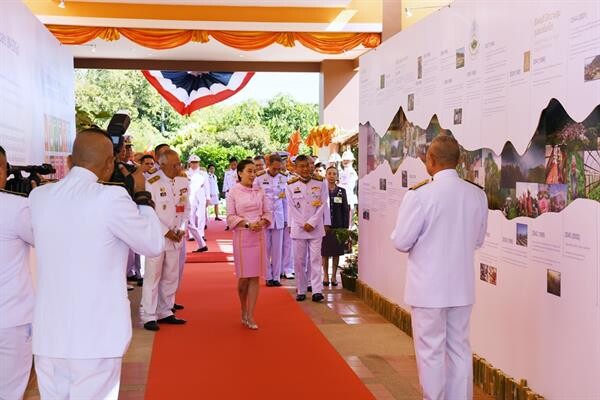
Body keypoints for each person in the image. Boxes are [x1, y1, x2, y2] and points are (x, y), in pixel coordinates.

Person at [28, 129, 165, 399]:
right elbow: (153, 244)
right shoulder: (111, 198)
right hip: (96, 337)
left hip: (49, 336)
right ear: (109, 165)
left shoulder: (39, 198)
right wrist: (142, 197)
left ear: (68, 161)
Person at [390, 135, 488, 400]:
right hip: (461, 287)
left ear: (430, 160)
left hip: (428, 288)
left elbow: (401, 241)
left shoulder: (420, 195)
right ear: (458, 161)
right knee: (459, 349)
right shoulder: (477, 194)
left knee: (430, 351)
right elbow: (478, 240)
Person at [141, 149, 190, 331]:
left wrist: (182, 228)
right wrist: (165, 232)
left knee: (171, 275)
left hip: (176, 236)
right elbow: (147, 212)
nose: (179, 167)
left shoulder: (183, 181)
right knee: (153, 276)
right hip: (156, 236)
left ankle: (166, 310)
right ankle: (149, 315)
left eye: (179, 163)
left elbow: (187, 207)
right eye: (174, 165)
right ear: (161, 165)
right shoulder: (151, 182)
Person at [0, 146, 35, 400]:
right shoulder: (16, 207)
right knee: (10, 391)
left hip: (12, 316)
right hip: (11, 318)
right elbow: (45, 240)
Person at [226, 160, 273, 330]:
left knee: (254, 277)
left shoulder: (260, 191)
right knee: (244, 278)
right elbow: (230, 217)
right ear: (240, 173)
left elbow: (268, 212)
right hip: (242, 236)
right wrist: (247, 224)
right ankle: (243, 307)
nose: (253, 175)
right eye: (249, 171)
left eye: (254, 171)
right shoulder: (233, 192)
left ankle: (251, 314)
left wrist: (262, 221)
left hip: (258, 236)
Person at [286, 155, 331, 302]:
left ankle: (317, 290)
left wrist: (313, 222)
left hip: (315, 227)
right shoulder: (290, 184)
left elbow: (323, 204)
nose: (305, 169)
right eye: (302, 166)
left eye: (307, 165)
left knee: (315, 259)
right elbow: (291, 207)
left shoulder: (320, 182)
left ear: (311, 166)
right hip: (299, 229)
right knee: (299, 260)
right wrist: (301, 223)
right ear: (296, 168)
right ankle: (301, 289)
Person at [253, 154, 287, 287]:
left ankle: (276, 277)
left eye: (279, 168)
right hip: (264, 218)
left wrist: (287, 219)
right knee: (266, 249)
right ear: (268, 165)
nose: (276, 171)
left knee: (278, 249)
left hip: (279, 216)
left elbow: (286, 201)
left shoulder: (284, 178)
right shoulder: (260, 178)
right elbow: (255, 199)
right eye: (274, 168)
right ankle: (268, 276)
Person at [321, 166, 349, 287]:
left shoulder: (341, 191)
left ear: (337, 176)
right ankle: (326, 276)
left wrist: (345, 227)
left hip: (338, 227)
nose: (332, 176)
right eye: (330, 173)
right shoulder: (321, 190)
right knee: (325, 253)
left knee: (336, 253)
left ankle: (333, 276)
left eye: (334, 174)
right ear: (326, 176)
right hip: (325, 226)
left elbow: (345, 210)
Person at [279, 152, 295, 280]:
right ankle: (278, 268)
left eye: (284, 162)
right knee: (277, 244)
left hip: (290, 215)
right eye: (280, 162)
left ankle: (288, 268)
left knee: (288, 244)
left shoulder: (292, 178)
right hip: (277, 216)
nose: (282, 164)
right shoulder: (272, 178)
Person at [339, 149, 358, 227]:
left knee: (349, 223)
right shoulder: (343, 172)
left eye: (347, 160)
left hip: (349, 199)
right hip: (343, 199)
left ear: (352, 161)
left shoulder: (352, 173)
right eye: (344, 160)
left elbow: (349, 187)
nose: (345, 161)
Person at [222, 157, 238, 230]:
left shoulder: (239, 172)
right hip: (229, 192)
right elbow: (225, 182)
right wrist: (225, 190)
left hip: (237, 192)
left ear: (237, 164)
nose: (233, 166)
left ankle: (237, 223)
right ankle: (228, 224)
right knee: (229, 209)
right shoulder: (227, 172)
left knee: (237, 208)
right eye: (232, 165)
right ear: (230, 164)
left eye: (235, 164)